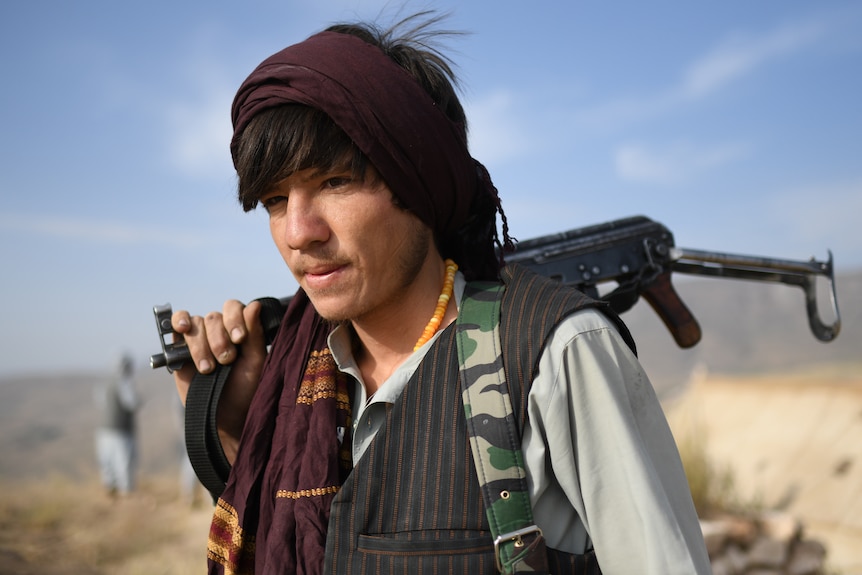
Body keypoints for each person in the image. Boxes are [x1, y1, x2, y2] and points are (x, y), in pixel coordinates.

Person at [171, 13, 711, 575]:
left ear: (417, 183)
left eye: (334, 182)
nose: (298, 232)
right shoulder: (296, 372)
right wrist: (239, 425)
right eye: (276, 200)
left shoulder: (556, 353)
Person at [94, 353, 140, 497]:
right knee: (123, 466)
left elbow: (100, 403)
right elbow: (132, 403)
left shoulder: (104, 383)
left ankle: (112, 495)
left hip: (104, 431)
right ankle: (125, 498)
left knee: (108, 466)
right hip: (121, 432)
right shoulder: (124, 383)